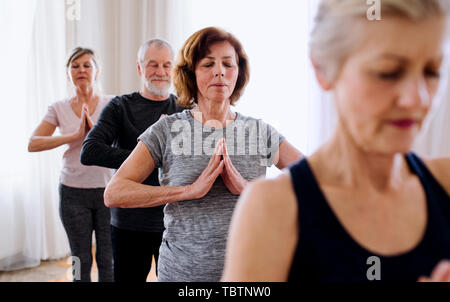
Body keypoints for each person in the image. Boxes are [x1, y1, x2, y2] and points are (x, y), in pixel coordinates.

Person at [221, 0, 450, 282]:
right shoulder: (274, 208)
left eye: (431, 71)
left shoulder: (446, 182)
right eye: (388, 72)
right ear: (322, 69)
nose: (418, 98)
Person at [103, 27, 303, 282]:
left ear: (238, 72)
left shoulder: (259, 131)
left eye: (228, 64)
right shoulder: (167, 130)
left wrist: (247, 188)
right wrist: (189, 190)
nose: (220, 71)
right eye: (208, 64)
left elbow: (316, 184)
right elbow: (115, 192)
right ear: (191, 73)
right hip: (181, 276)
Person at [80, 39, 183, 282]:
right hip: (129, 222)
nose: (160, 71)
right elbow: (90, 149)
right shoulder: (120, 106)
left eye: (166, 65)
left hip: (174, 221)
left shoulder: (185, 108)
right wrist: (145, 159)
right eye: (153, 64)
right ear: (139, 68)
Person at [28, 47, 114, 282]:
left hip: (109, 192)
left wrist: (94, 131)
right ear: (68, 73)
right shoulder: (58, 108)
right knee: (79, 258)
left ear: (97, 71)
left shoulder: (112, 104)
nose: (81, 70)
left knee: (108, 258)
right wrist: (74, 135)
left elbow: (126, 141)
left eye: (87, 65)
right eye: (75, 66)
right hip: (73, 193)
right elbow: (33, 143)